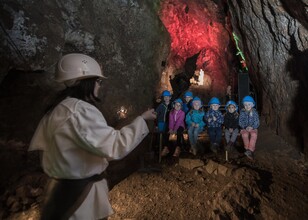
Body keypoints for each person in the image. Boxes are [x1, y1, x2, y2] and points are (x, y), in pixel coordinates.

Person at [28, 53, 157, 220]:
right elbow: (113, 146)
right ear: (86, 82)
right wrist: (142, 119)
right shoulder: (80, 110)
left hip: (60, 190)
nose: (99, 86)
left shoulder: (58, 108)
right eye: (98, 81)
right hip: (80, 193)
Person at [239, 95, 259, 160]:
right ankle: (247, 149)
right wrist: (245, 127)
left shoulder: (255, 113)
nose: (247, 106)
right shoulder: (242, 113)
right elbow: (240, 122)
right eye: (246, 105)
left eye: (249, 104)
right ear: (244, 105)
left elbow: (257, 122)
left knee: (254, 134)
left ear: (252, 105)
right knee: (244, 134)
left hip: (253, 128)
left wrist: (252, 127)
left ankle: (250, 150)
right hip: (244, 128)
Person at [156, 90, 172, 157]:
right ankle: (162, 148)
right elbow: (156, 114)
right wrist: (156, 124)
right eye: (165, 97)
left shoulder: (172, 105)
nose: (166, 98)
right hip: (161, 122)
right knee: (160, 136)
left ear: (170, 97)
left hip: (168, 123)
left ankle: (165, 148)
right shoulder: (161, 106)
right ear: (163, 97)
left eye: (167, 97)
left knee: (166, 135)